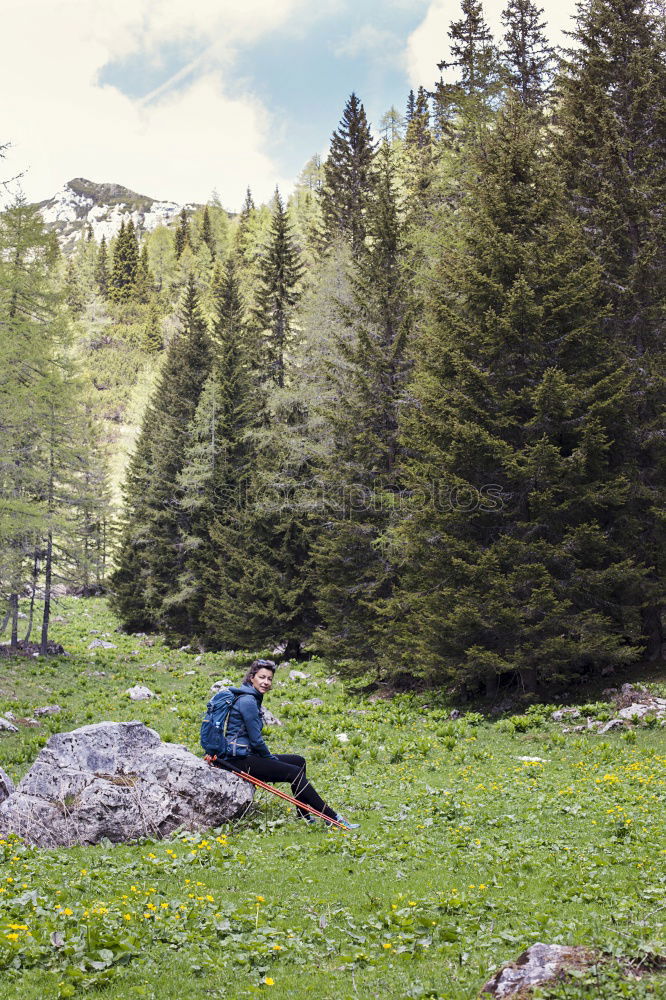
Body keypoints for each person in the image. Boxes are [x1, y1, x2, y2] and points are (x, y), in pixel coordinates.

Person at [219, 658, 359, 830]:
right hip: (239, 759)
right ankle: (332, 818)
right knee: (293, 772)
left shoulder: (251, 697)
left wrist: (270, 759)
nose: (266, 682)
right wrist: (270, 759)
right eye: (262, 677)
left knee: (298, 761)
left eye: (269, 679)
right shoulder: (248, 701)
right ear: (251, 677)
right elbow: (256, 740)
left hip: (246, 755)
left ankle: (303, 815)